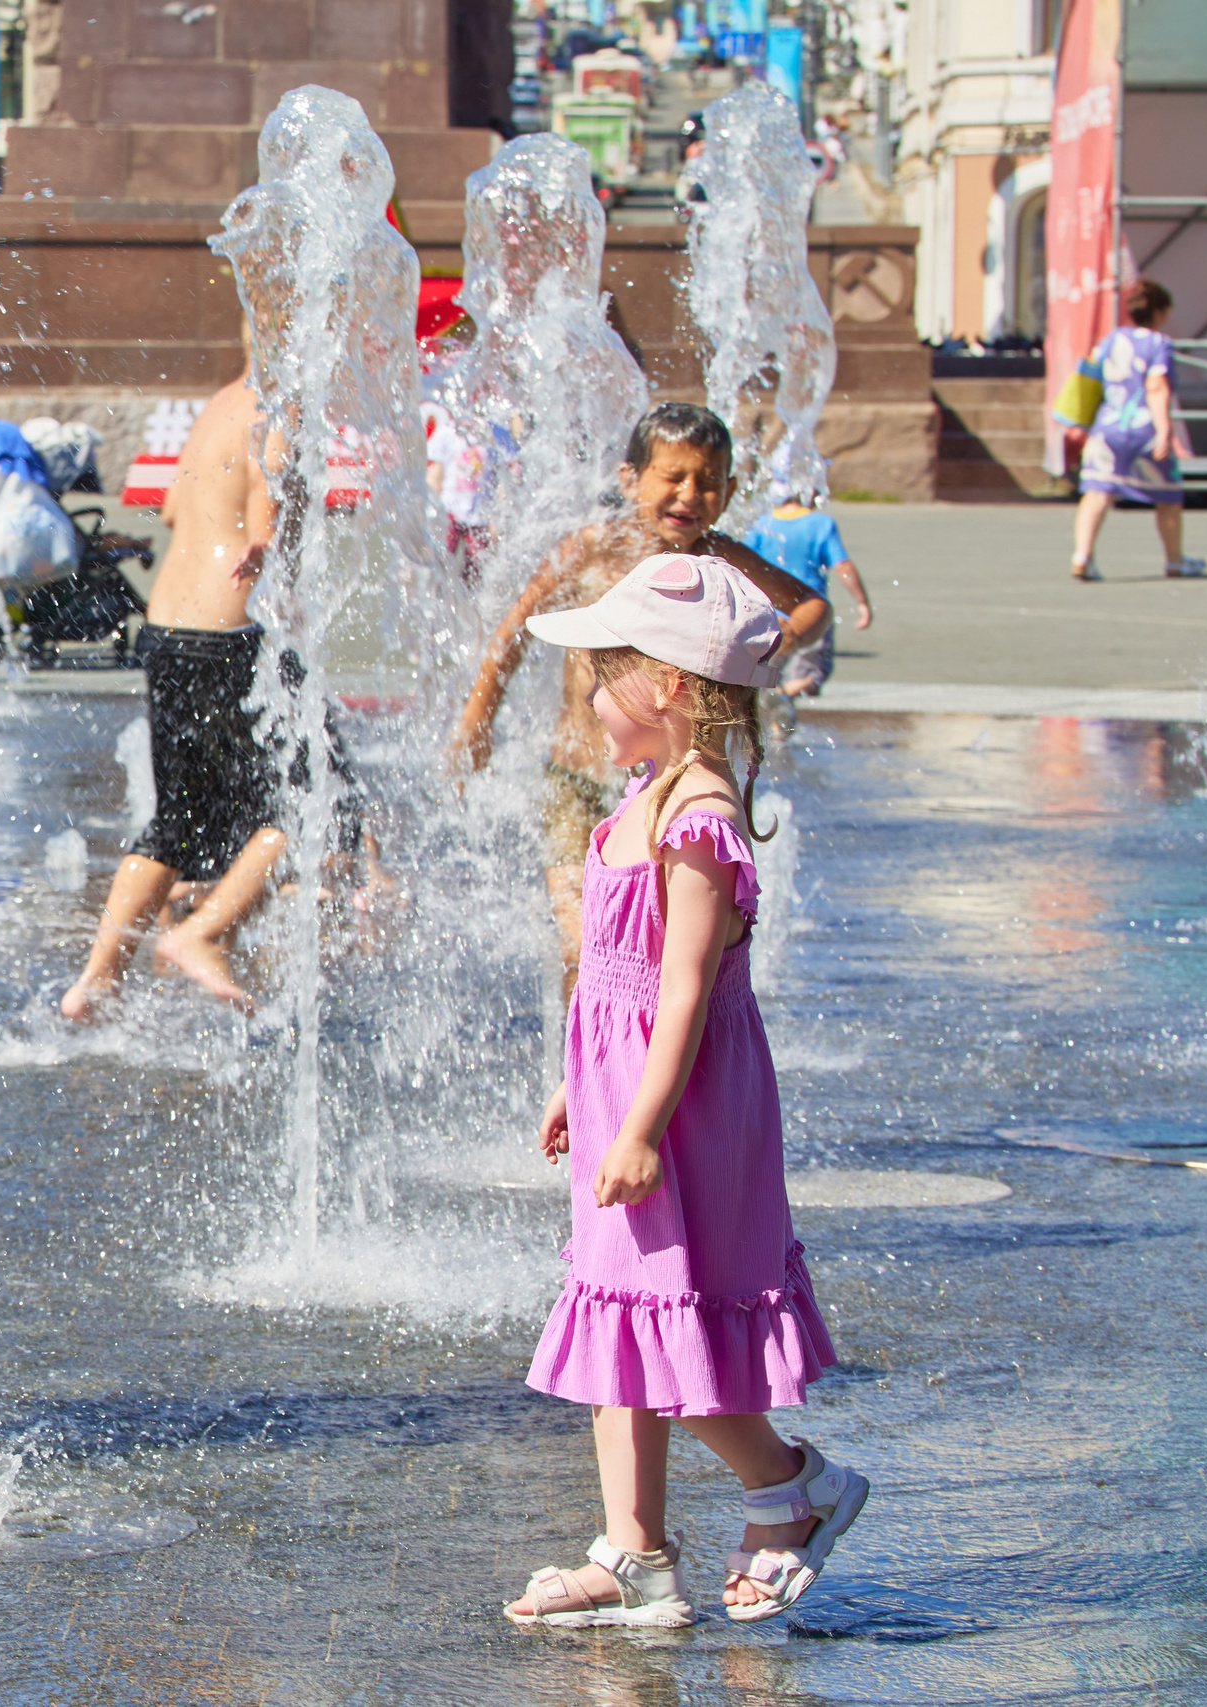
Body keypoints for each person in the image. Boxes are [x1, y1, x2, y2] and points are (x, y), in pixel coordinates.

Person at [503, 551, 863, 1629]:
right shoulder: (646, 790)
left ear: (664, 685)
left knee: (660, 1324)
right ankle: (633, 1553)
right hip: (625, 1088)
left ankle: (791, 1486)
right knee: (617, 1318)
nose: (586, 698)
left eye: (601, 676)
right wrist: (584, 1089)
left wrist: (646, 1121)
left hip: (681, 1102)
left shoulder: (697, 813)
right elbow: (612, 980)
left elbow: (688, 986)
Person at [450, 403, 830, 998]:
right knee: (581, 944)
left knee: (652, 948)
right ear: (631, 479)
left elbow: (811, 605)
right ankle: (579, 1077)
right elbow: (516, 628)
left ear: (729, 490)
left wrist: (758, 651)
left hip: (667, 792)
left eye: (708, 481)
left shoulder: (719, 561)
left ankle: (643, 1061)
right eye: (672, 477)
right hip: (575, 779)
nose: (689, 494)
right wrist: (478, 718)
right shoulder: (592, 548)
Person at [60, 368, 285, 1021]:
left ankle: (97, 982)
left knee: (180, 820)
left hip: (167, 628)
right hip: (224, 634)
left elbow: (170, 510)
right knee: (305, 807)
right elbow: (265, 534)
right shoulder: (277, 419)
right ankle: (202, 933)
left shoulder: (219, 401)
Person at [1072, 278, 1202, 582]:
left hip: (1107, 427)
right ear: (1158, 312)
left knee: (1097, 491)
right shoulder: (1159, 344)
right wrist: (1164, 430)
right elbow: (1156, 387)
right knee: (1168, 496)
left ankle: (1082, 555)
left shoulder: (1111, 339)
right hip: (1143, 428)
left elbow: (1089, 374)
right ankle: (1174, 560)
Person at [743, 485, 872, 698]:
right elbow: (843, 567)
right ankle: (785, 695)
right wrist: (862, 603)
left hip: (767, 618)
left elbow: (741, 565)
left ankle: (775, 712)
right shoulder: (821, 524)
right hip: (810, 616)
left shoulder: (761, 524)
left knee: (766, 677)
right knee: (811, 676)